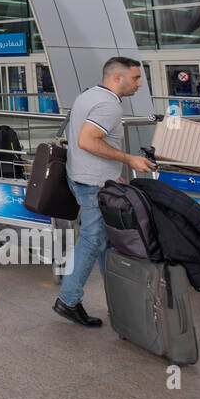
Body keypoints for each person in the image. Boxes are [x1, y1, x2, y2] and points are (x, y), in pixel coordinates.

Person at [55, 57, 155, 327]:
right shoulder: (108, 105)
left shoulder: (88, 95)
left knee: (106, 242)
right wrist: (128, 159)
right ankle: (68, 299)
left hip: (83, 177)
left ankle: (118, 301)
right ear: (117, 78)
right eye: (135, 78)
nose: (139, 84)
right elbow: (87, 140)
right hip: (92, 184)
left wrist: (113, 173)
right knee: (93, 240)